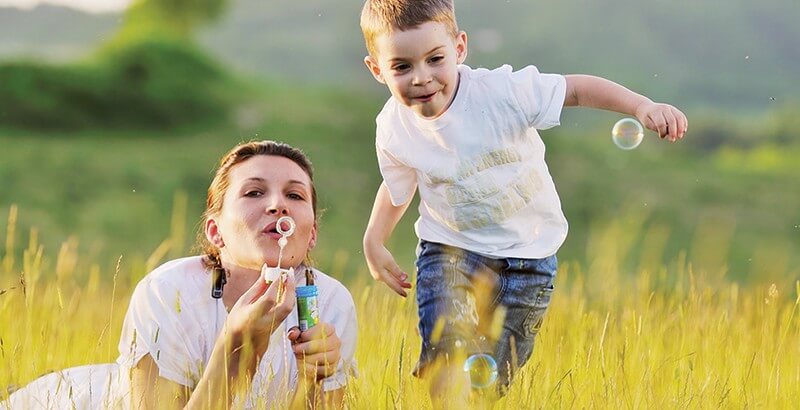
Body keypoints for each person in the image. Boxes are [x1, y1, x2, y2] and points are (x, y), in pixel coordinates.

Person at [358, 0, 688, 402]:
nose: (422, 78)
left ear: (459, 49)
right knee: (446, 353)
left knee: (491, 380)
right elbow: (398, 183)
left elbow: (578, 89)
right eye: (402, 67)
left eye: (435, 59)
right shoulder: (393, 128)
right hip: (450, 251)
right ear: (377, 69)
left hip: (529, 259)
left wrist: (642, 106)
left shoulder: (501, 92)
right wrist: (375, 239)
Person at [4, 140, 358, 409]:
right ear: (215, 232)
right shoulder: (168, 293)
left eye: (294, 195)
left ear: (311, 233)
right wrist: (234, 354)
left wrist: (315, 381)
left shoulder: (330, 303)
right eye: (254, 192)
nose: (277, 204)